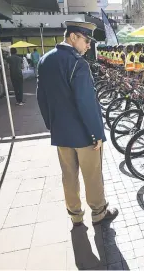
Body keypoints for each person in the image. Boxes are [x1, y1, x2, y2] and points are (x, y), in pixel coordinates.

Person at [36, 21, 118, 227]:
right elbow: (86, 102)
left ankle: (75, 215)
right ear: (73, 37)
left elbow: (41, 97)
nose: (88, 45)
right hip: (84, 134)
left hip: (61, 132)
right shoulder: (77, 63)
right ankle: (98, 212)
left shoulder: (45, 60)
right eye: (86, 40)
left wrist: (51, 124)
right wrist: (97, 133)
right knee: (92, 175)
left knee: (69, 176)